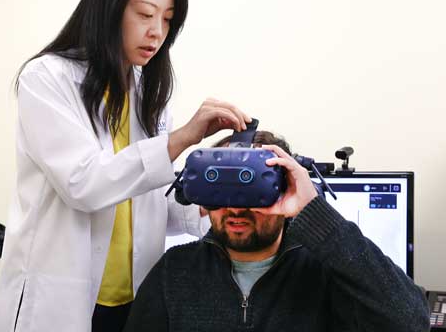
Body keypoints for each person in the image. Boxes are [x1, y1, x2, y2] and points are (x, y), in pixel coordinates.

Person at [0, 0, 250, 332]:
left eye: (167, 20)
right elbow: (85, 184)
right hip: (62, 301)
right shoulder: (47, 79)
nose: (157, 32)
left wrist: (214, 195)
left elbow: (147, 202)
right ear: (109, 8)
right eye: (145, 14)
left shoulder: (147, 91)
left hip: (133, 301)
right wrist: (182, 139)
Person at [123, 131, 430, 332]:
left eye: (250, 188)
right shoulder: (175, 272)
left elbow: (411, 322)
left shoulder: (325, 274)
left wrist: (315, 213)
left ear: (283, 190)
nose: (236, 208)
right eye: (221, 188)